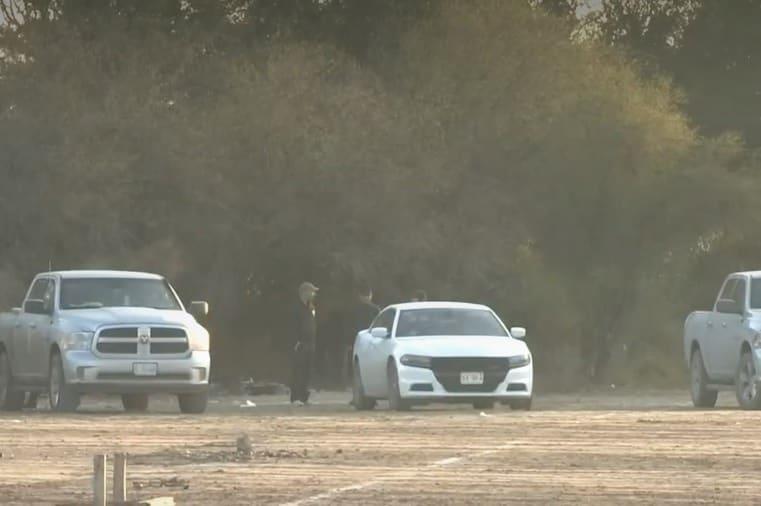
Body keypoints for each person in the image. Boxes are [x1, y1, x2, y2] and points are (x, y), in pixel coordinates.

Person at [344, 282, 380, 387]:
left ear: (359, 296)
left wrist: (348, 343)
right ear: (370, 295)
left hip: (356, 342)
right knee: (370, 368)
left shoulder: (352, 310)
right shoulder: (375, 309)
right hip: (371, 343)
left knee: (356, 369)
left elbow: (349, 327)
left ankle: (357, 394)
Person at [290, 281, 319, 406]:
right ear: (304, 292)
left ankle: (304, 397)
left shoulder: (310, 307)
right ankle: (295, 397)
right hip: (301, 343)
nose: (313, 294)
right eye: (311, 291)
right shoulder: (296, 308)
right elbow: (293, 326)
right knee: (299, 371)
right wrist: (296, 341)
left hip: (311, 343)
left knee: (308, 370)